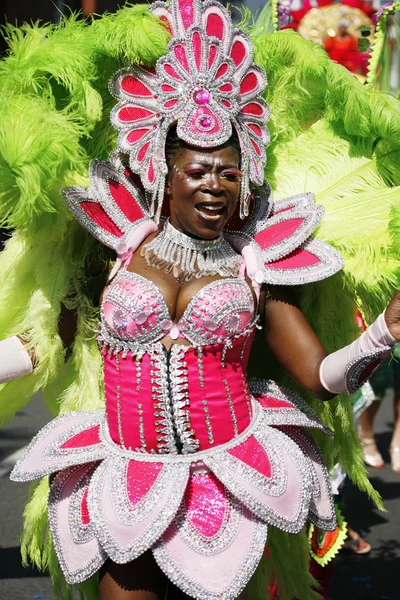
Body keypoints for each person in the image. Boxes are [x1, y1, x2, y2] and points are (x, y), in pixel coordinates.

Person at [0, 1, 399, 599]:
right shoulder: (112, 247)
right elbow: (42, 346)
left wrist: (384, 334)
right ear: (164, 172)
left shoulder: (260, 260)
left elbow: (320, 377)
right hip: (125, 472)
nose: (216, 185)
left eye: (230, 173)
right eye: (199, 171)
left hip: (226, 479)